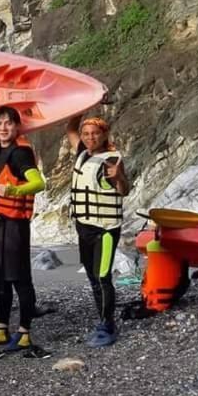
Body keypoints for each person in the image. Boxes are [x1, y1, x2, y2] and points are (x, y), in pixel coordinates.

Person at [0, 106, 50, 357]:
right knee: (0, 278)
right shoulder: (0, 151)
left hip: (14, 225)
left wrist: (13, 191)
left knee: (19, 278)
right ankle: (2, 328)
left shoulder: (20, 153)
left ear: (16, 127)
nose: (3, 127)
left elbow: (38, 183)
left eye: (8, 123)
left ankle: (24, 332)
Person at [66, 115, 130, 347]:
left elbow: (124, 191)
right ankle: (103, 319)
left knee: (103, 277)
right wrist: (78, 106)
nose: (90, 137)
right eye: (86, 134)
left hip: (105, 228)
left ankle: (108, 325)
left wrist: (119, 177)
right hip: (84, 226)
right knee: (93, 277)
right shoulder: (83, 153)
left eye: (95, 133)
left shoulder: (111, 159)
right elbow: (71, 129)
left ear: (104, 134)